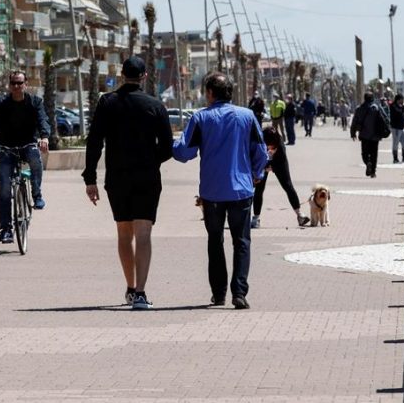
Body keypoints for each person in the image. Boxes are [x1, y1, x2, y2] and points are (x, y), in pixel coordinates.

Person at [82, 56, 173, 310]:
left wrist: (90, 178)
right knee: (143, 234)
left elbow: (94, 142)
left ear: (122, 75)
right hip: (147, 178)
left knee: (124, 233)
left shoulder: (107, 103)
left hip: (117, 177)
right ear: (144, 76)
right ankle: (141, 294)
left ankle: (131, 289)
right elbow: (167, 148)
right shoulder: (155, 105)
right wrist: (149, 160)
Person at [173, 72, 267, 310]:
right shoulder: (247, 116)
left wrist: (168, 143)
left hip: (212, 192)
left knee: (215, 241)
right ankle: (239, 292)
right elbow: (261, 152)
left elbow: (184, 152)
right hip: (242, 190)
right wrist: (257, 175)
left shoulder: (201, 118)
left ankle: (219, 293)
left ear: (210, 93)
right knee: (242, 241)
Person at [0, 71, 50, 244]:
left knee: (35, 160)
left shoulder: (35, 102)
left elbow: (43, 120)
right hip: (7, 147)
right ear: (9, 85)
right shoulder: (1, 102)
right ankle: (6, 229)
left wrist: (44, 137)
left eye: (19, 83)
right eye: (13, 83)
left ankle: (36, 195)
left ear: (26, 84)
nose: (16, 86)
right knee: (5, 189)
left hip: (28, 144)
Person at [251, 127, 310, 229]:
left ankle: (300, 215)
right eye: (268, 146)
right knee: (259, 189)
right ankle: (256, 219)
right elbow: (253, 156)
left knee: (288, 185)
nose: (270, 148)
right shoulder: (258, 140)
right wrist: (262, 169)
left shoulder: (280, 143)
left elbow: (281, 160)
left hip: (278, 162)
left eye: (273, 147)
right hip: (262, 161)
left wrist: (273, 167)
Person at [350, 92, 390, 178]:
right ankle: (373, 172)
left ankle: (367, 162)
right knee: (374, 153)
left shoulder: (359, 109)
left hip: (364, 135)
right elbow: (386, 118)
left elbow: (354, 122)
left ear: (364, 98)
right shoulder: (377, 107)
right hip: (376, 135)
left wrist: (353, 133)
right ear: (372, 98)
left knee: (365, 153)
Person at [389, 94, 404, 163]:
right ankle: (395, 158)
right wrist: (403, 108)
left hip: (401, 128)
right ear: (398, 99)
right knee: (395, 143)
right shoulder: (393, 105)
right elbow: (398, 112)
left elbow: (402, 117)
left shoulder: (400, 106)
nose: (403, 101)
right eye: (402, 99)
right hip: (396, 128)